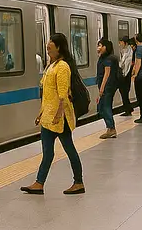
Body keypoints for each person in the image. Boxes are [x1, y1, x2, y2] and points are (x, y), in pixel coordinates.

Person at [20, 33, 85, 195]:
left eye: (50, 49)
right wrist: (40, 113)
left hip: (58, 119)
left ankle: (78, 182)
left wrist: (59, 115)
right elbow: (48, 95)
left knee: (69, 149)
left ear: (59, 48)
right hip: (48, 118)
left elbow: (63, 95)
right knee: (48, 153)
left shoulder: (62, 67)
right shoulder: (52, 66)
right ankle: (39, 183)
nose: (47, 51)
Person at [95, 38, 119, 139]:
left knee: (105, 107)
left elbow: (107, 74)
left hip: (107, 87)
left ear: (105, 47)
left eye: (100, 45)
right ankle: (110, 128)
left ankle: (112, 129)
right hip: (106, 87)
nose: (98, 48)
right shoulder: (103, 58)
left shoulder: (109, 59)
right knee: (102, 107)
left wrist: (101, 90)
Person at [117, 37, 135, 118]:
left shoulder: (128, 51)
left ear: (125, 43)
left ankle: (127, 110)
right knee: (124, 93)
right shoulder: (125, 50)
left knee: (124, 92)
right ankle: (129, 108)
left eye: (121, 42)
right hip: (124, 75)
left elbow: (126, 65)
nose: (119, 44)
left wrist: (123, 75)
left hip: (125, 75)